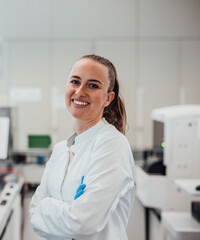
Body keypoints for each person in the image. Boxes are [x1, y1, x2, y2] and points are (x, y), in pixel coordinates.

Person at [29, 54, 135, 240]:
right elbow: (33, 214)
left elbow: (83, 224)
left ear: (108, 98)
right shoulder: (61, 150)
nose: (79, 91)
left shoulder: (113, 144)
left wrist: (47, 206)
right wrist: (69, 210)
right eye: (75, 81)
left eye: (93, 85)